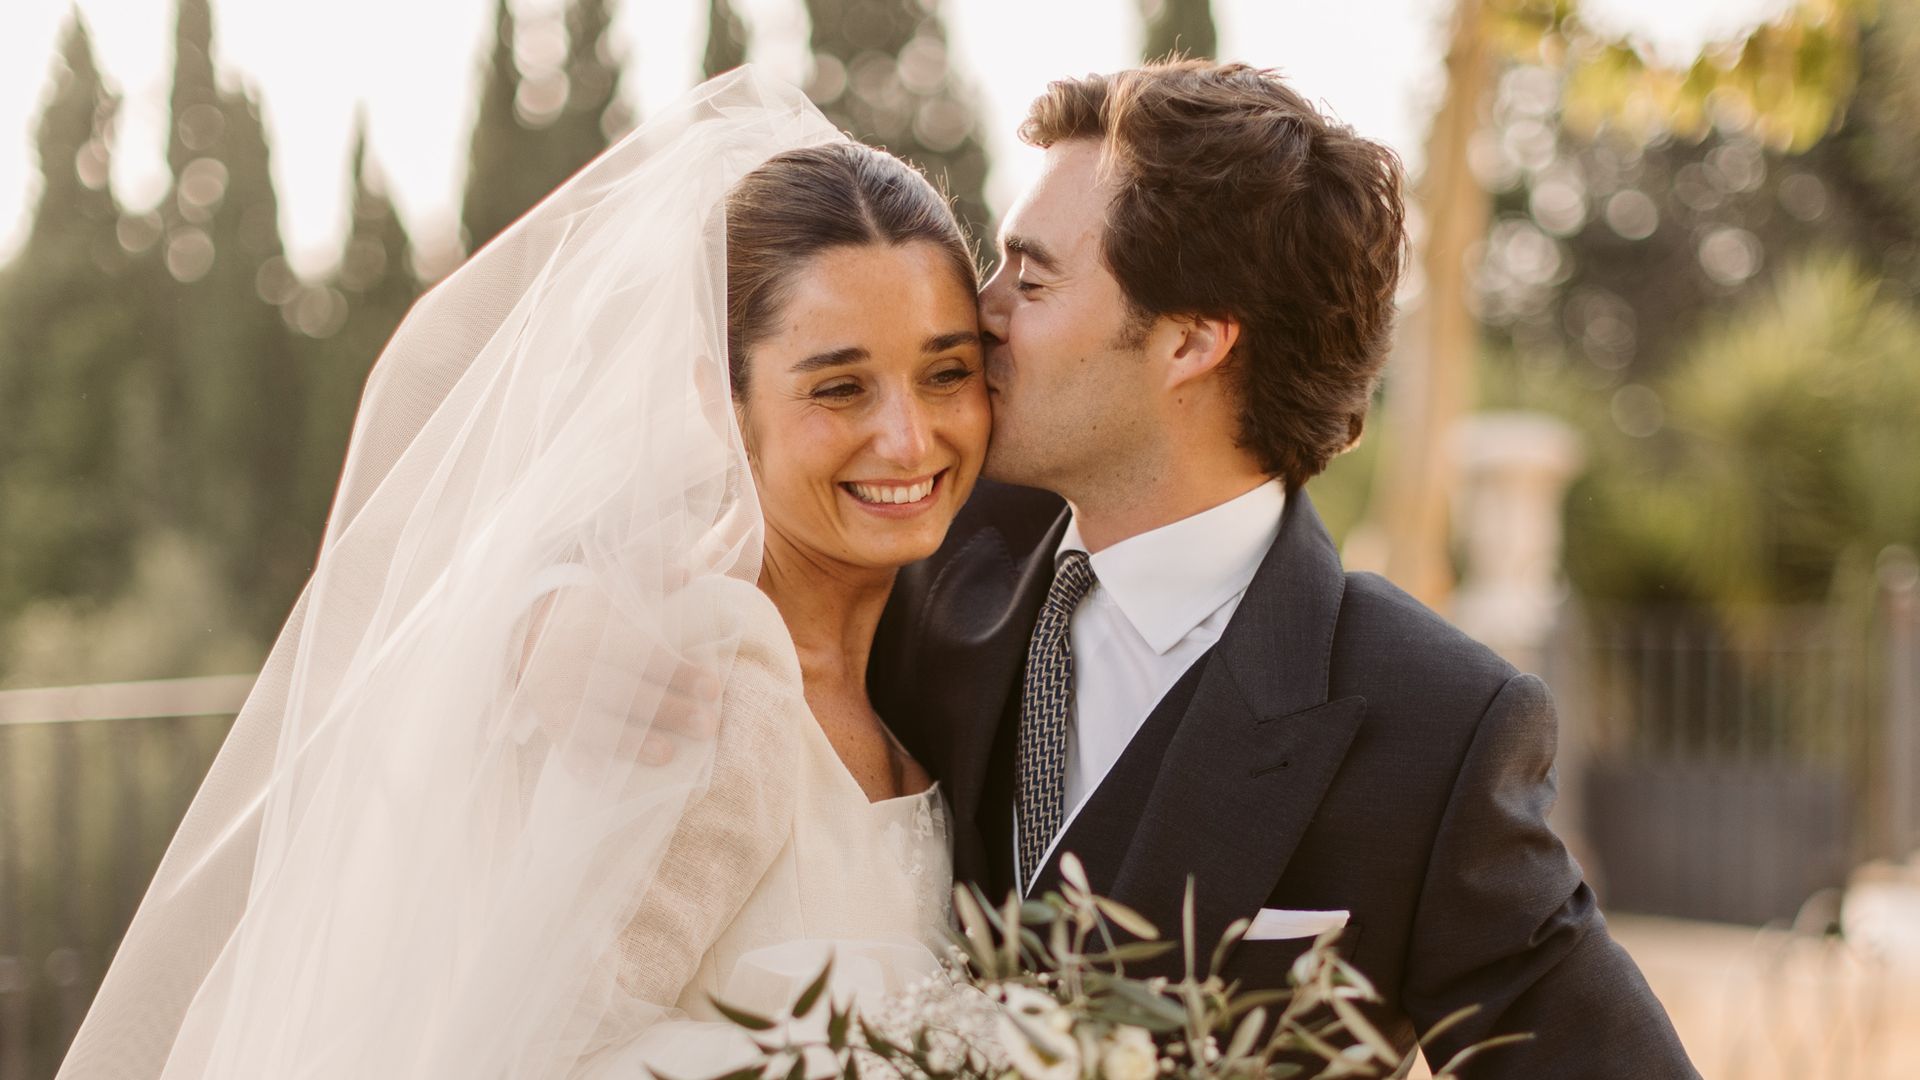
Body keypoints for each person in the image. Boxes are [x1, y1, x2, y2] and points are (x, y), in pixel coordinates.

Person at [56, 69, 983, 1080]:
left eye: (947, 372)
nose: (909, 437)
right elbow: (532, 1053)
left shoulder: (942, 641)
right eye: (840, 387)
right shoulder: (710, 677)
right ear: (719, 396)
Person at [868, 60, 1702, 1078]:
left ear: (1192, 340)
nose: (978, 312)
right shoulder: (913, 563)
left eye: (1031, 278)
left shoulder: (1435, 729)